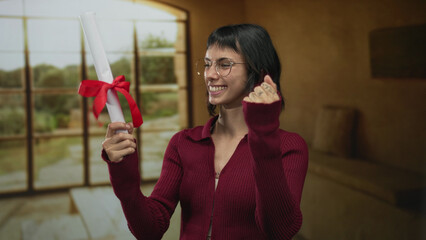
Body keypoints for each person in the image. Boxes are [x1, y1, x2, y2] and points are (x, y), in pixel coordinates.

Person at [102, 24, 308, 240]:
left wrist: (263, 136)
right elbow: (149, 230)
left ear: (260, 72)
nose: (210, 75)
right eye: (208, 64)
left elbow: (280, 230)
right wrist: (124, 177)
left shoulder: (289, 147)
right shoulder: (183, 143)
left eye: (224, 64)